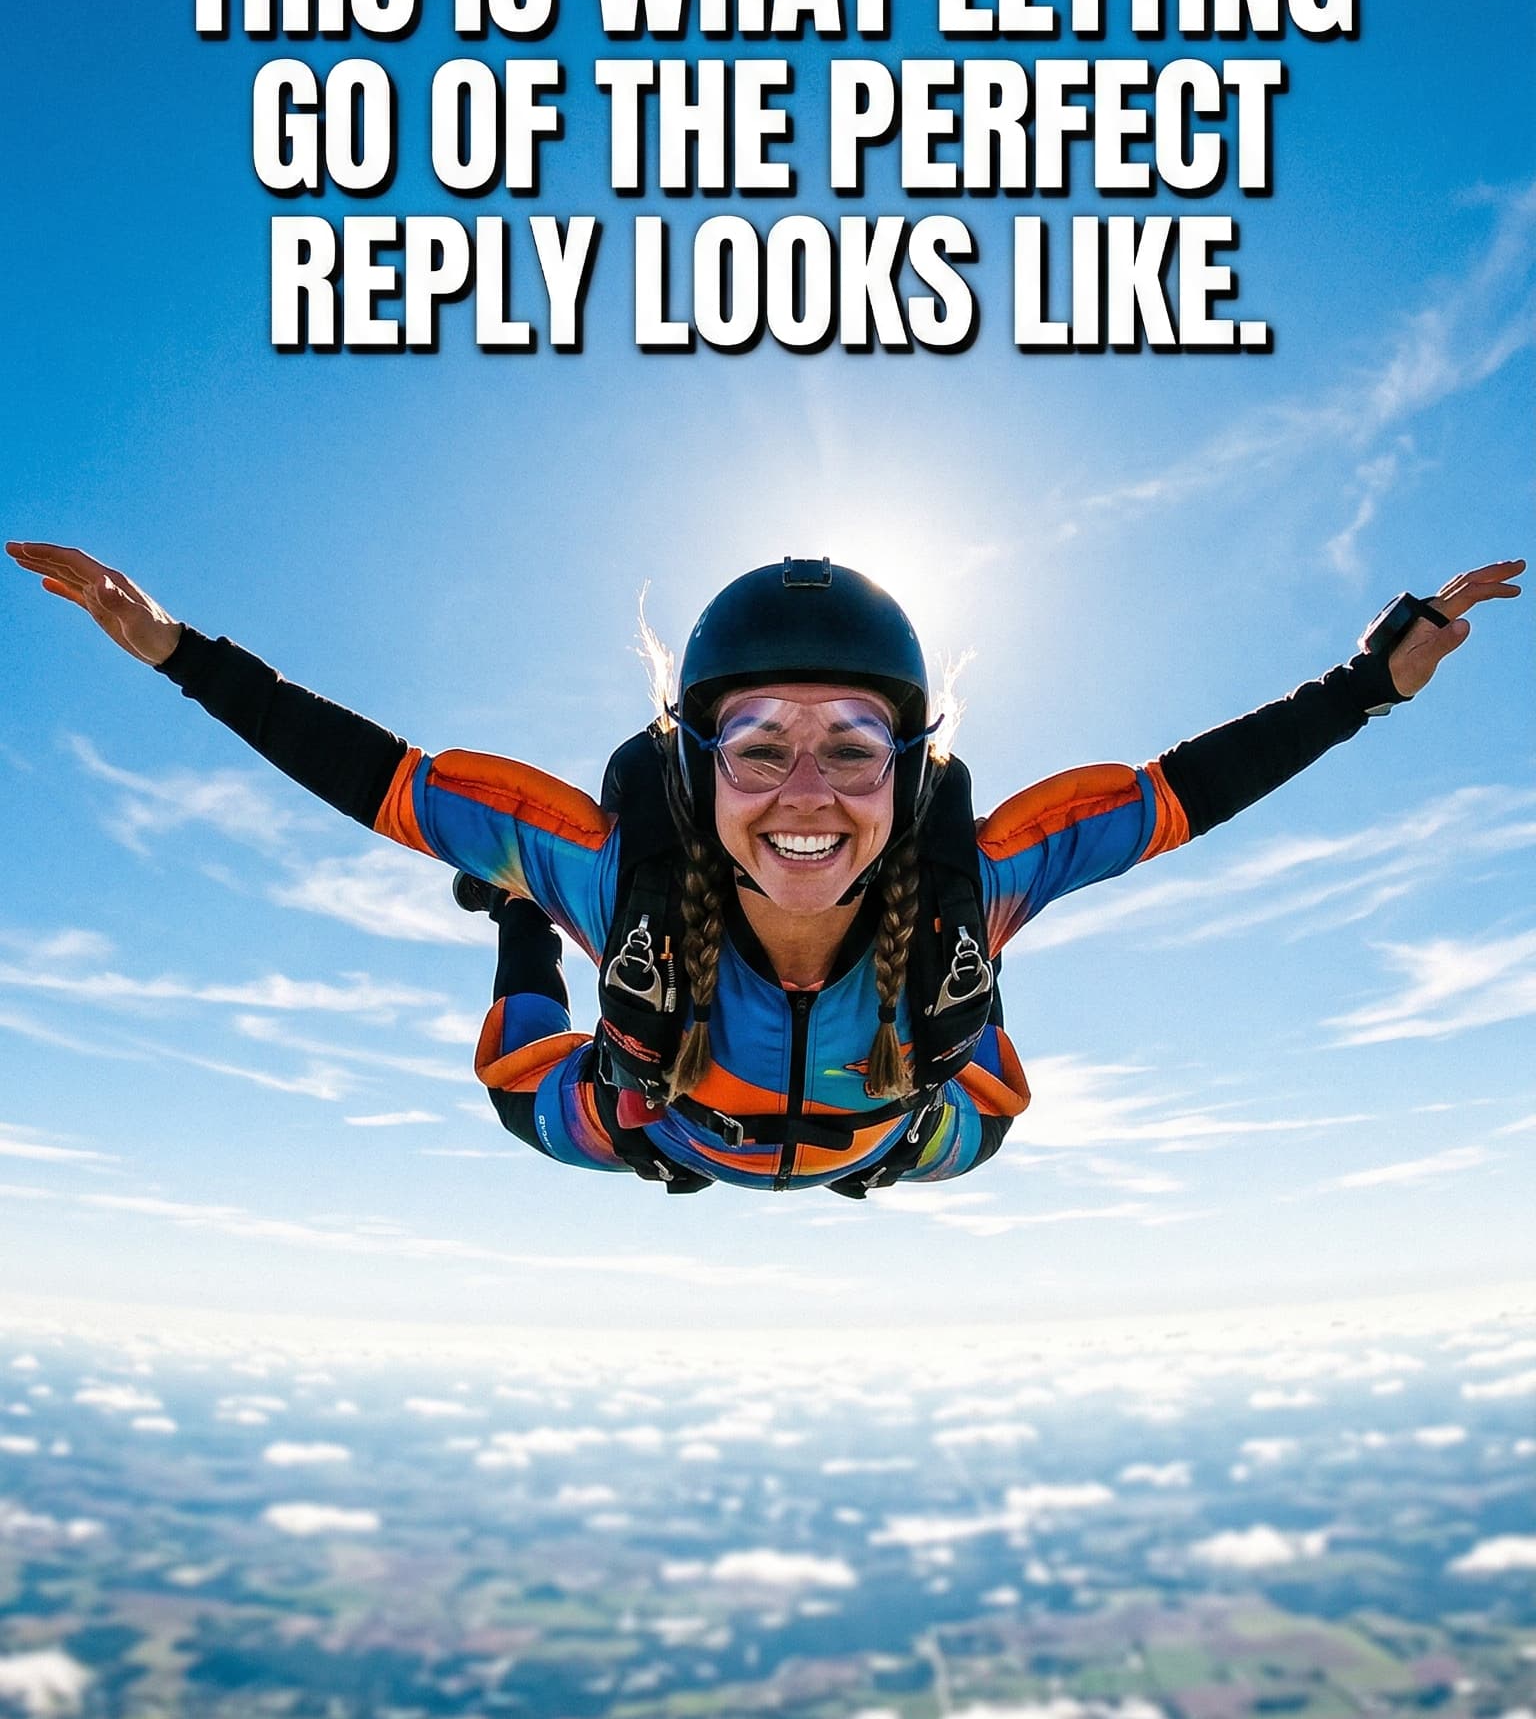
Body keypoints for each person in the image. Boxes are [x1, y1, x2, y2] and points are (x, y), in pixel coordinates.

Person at [6, 542, 1523, 1197]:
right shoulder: (612, 867)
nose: (807, 796)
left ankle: (911, 1049)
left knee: (972, 1065)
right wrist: (177, 653)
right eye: (759, 747)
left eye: (853, 748)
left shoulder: (983, 871)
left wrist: (1370, 685)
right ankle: (514, 920)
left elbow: (1184, 794)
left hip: (912, 1132)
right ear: (694, 768)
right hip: (661, 1128)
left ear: (910, 765)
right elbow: (380, 778)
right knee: (518, 1078)